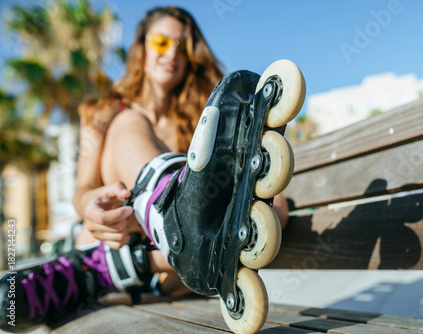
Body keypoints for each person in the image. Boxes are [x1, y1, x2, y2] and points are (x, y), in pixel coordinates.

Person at [0, 6, 292, 333]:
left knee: (274, 208)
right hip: (117, 239)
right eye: (161, 42)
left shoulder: (203, 117)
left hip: (171, 274)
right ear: (142, 47)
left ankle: (128, 261)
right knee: (129, 123)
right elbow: (82, 192)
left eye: (182, 46)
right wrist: (92, 205)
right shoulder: (106, 112)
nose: (172, 53)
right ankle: (168, 225)